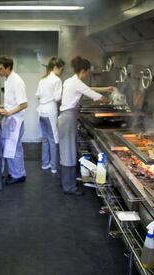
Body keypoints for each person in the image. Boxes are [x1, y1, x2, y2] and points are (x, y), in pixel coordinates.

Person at [58, 56, 114, 196]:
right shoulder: (76, 82)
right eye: (88, 72)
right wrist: (110, 101)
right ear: (83, 70)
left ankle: (68, 183)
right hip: (68, 118)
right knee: (68, 152)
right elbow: (94, 95)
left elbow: (87, 89)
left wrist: (106, 89)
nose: (88, 74)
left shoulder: (71, 80)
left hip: (65, 118)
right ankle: (69, 187)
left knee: (67, 151)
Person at [0, 55, 28, 185]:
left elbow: (24, 104)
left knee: (15, 148)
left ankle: (19, 175)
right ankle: (15, 172)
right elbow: (13, 102)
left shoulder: (17, 81)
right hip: (10, 119)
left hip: (15, 121)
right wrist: (3, 106)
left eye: (1, 69)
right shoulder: (8, 79)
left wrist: (8, 112)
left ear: (9, 67)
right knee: (10, 147)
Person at [35, 57, 65, 174]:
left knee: (45, 139)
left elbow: (37, 95)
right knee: (53, 140)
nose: (61, 72)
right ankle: (53, 167)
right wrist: (63, 96)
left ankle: (45, 164)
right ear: (56, 68)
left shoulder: (43, 80)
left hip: (41, 112)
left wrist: (45, 97)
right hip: (50, 111)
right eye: (61, 69)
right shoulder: (57, 80)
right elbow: (57, 98)